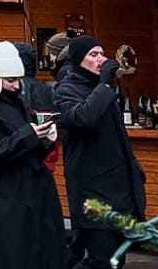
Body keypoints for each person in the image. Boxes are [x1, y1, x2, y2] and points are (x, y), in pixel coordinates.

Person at [0, 41, 66, 269]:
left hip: (26, 191)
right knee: (7, 254)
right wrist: (29, 134)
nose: (17, 85)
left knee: (35, 252)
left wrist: (46, 140)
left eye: (18, 79)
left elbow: (23, 144)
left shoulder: (16, 102)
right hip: (0, 195)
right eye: (11, 80)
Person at [55, 36, 146, 269]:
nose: (101, 59)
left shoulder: (102, 89)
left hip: (119, 189)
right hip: (91, 190)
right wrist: (105, 85)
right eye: (93, 55)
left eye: (101, 53)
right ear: (78, 60)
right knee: (102, 260)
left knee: (116, 259)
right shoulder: (66, 90)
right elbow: (84, 118)